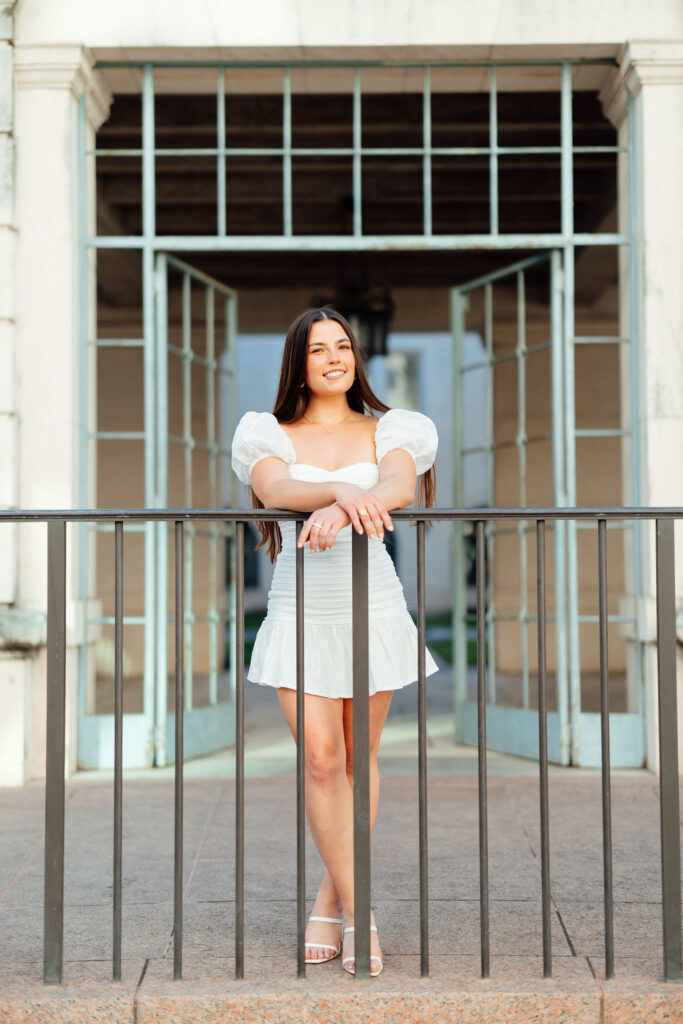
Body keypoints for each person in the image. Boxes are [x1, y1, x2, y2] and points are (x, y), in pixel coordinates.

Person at [231, 307, 438, 977]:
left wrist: (341, 500)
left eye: (342, 345)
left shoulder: (391, 428)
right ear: (299, 362)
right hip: (299, 605)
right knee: (320, 763)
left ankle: (332, 898)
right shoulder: (267, 432)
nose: (333, 356)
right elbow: (273, 488)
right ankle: (363, 911)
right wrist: (340, 496)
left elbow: (400, 486)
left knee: (357, 758)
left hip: (370, 603)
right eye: (318, 348)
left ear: (355, 358)